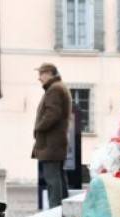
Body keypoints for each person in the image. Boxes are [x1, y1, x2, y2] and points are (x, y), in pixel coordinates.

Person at [32, 62, 72, 208]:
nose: (39, 78)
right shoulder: (59, 87)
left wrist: (38, 127)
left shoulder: (54, 89)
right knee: (58, 177)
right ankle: (64, 208)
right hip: (55, 143)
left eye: (41, 74)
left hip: (51, 144)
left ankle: (55, 211)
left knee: (52, 178)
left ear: (49, 73)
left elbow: (52, 114)